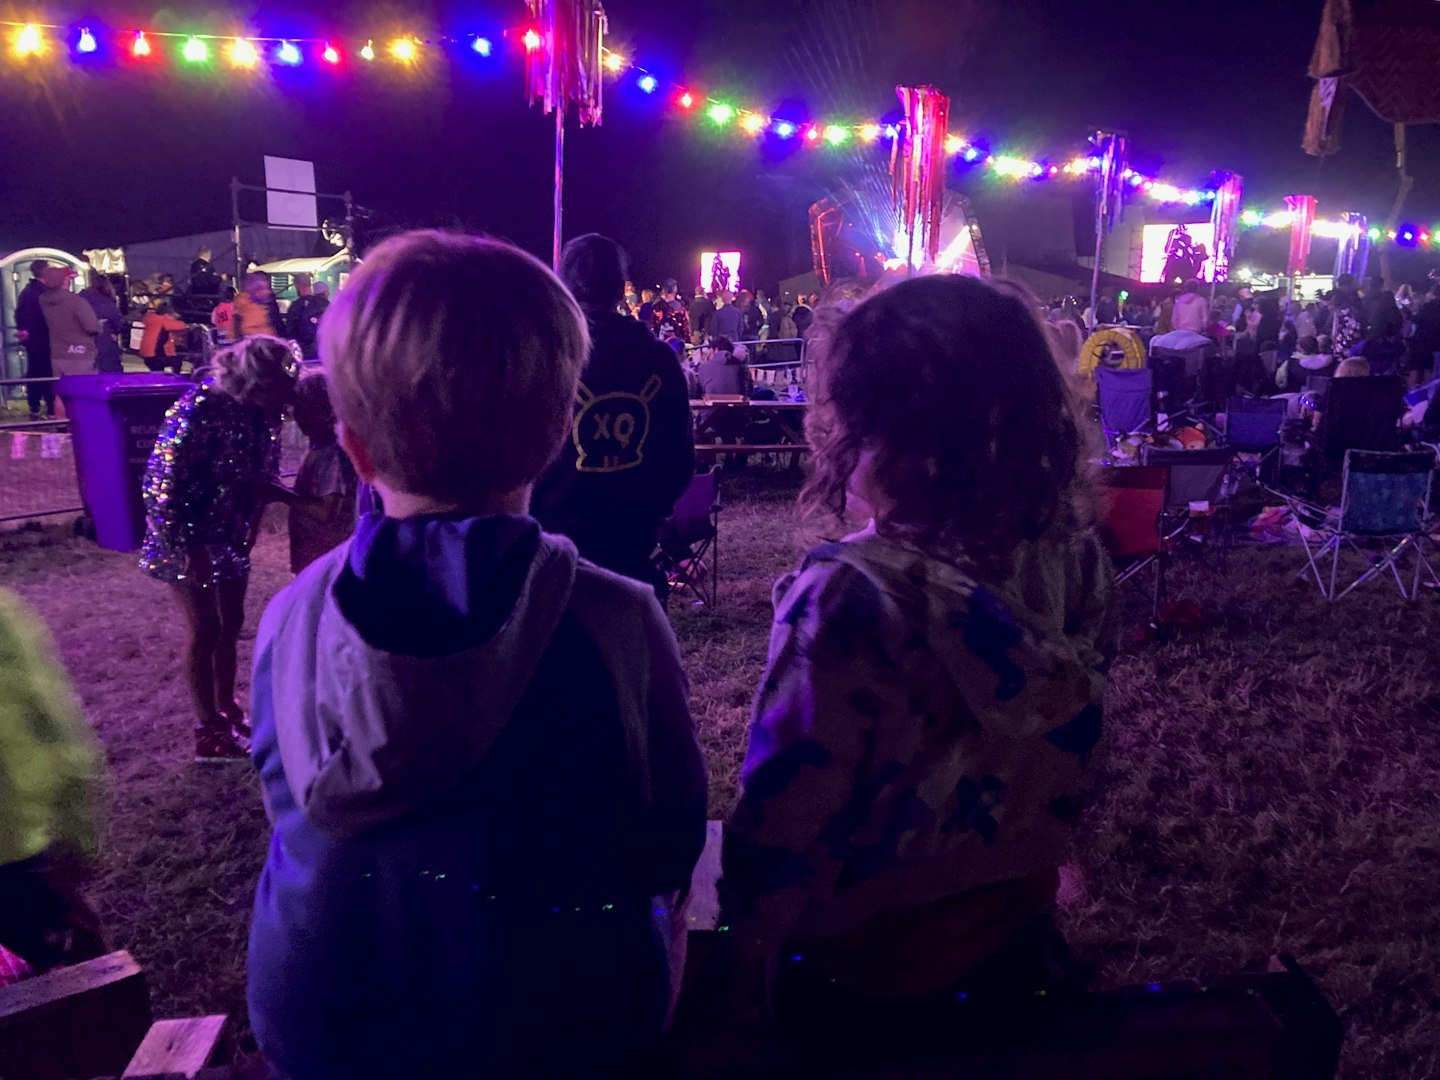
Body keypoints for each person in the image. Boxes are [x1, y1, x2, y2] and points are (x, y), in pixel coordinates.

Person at [245, 231, 707, 1079]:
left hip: (325, 1025)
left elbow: (288, 802)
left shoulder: (289, 617)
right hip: (565, 1028)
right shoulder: (616, 619)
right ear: (563, 431)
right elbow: (668, 842)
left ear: (352, 446)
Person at [714, 275, 1113, 1049]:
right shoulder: (1076, 561)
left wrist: (739, 973)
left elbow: (783, 816)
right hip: (1019, 956)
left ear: (866, 423)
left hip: (858, 977)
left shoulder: (846, 595)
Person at [138, 336, 298, 762]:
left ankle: (226, 707)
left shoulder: (263, 416)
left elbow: (257, 473)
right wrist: (187, 546)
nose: (284, 399)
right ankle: (206, 729)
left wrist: (266, 511)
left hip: (229, 534)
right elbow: (162, 483)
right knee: (205, 628)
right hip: (186, 538)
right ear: (254, 380)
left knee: (231, 625)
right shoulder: (201, 407)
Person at [531, 233, 695, 590]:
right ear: (621, 289)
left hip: (551, 551)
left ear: (562, 286)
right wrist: (649, 509)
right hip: (632, 545)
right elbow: (679, 459)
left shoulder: (541, 358)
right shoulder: (659, 360)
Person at [0, 590, 106, 976]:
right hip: (20, 857)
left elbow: (53, 729)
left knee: (70, 994)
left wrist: (73, 838)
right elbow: (56, 729)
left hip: (21, 861)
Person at [279, 373, 358, 574]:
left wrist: (279, 494)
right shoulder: (320, 447)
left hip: (326, 560)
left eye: (304, 409)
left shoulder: (331, 453)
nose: (297, 416)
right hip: (316, 557)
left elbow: (326, 511)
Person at [40, 265, 101, 377]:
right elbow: (92, 327)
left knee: (61, 390)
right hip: (81, 353)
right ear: (63, 281)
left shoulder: (43, 301)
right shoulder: (77, 302)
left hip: (58, 353)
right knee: (83, 390)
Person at [15, 260, 55, 420]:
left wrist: (24, 331)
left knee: (34, 373)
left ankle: (34, 406)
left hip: (32, 341)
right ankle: (51, 408)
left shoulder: (27, 291)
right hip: (46, 340)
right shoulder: (45, 293)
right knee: (47, 374)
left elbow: (19, 314)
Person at [80, 272, 125, 374]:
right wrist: (116, 331)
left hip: (83, 337)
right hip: (104, 336)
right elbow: (116, 318)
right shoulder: (106, 301)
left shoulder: (81, 298)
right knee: (108, 366)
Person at [139, 302, 190, 374]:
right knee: (177, 361)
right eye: (174, 318)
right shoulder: (163, 320)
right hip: (154, 356)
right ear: (167, 315)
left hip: (148, 356)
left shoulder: (152, 319)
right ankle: (176, 378)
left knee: (158, 371)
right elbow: (181, 326)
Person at [286, 277, 330, 360]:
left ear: (298, 286)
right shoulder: (325, 304)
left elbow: (290, 330)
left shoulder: (296, 305)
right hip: (323, 348)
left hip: (303, 349)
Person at [231, 272, 282, 340]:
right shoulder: (243, 302)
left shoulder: (268, 305)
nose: (267, 292)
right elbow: (237, 327)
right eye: (262, 288)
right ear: (254, 289)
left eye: (267, 288)